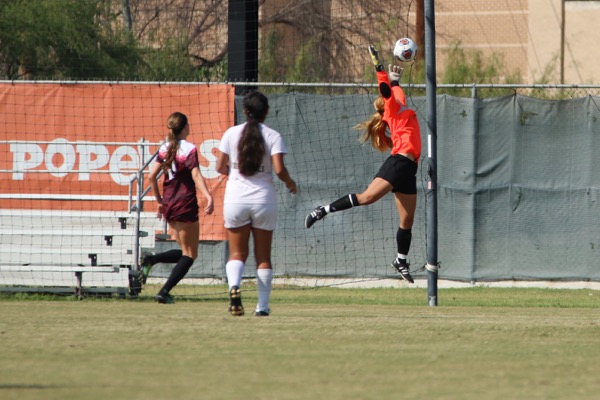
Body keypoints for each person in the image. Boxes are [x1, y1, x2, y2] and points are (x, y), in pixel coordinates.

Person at [304, 45, 421, 283]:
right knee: (366, 198)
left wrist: (396, 80)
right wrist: (380, 68)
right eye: (389, 96)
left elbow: (394, 91)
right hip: (398, 163)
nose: (393, 95)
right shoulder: (391, 109)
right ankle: (322, 210)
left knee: (407, 221)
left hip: (410, 168)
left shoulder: (400, 104)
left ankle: (400, 260)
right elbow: (386, 90)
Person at [216, 91, 297, 317]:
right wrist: (291, 183)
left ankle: (234, 286)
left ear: (245, 111)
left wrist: (234, 173)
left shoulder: (231, 133)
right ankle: (262, 306)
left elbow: (220, 166)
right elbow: (279, 170)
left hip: (235, 199)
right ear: (267, 112)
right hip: (264, 200)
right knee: (263, 257)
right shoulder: (273, 136)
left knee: (236, 254)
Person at [143, 111, 214, 303]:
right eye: (188, 124)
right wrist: (208, 196)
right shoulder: (189, 148)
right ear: (184, 128)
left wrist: (160, 201)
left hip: (170, 204)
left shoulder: (165, 148)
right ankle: (164, 292)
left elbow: (150, 177)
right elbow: (196, 175)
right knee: (190, 255)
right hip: (185, 203)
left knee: (185, 251)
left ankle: (152, 259)